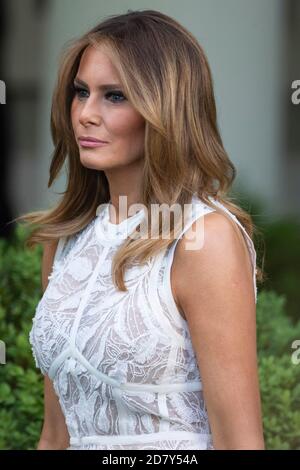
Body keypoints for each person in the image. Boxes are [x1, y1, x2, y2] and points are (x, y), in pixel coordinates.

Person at [18, 9, 265, 450]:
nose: (86, 114)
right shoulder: (67, 242)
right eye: (81, 92)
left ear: (165, 107)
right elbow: (55, 434)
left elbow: (240, 441)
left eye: (114, 96)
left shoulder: (204, 239)